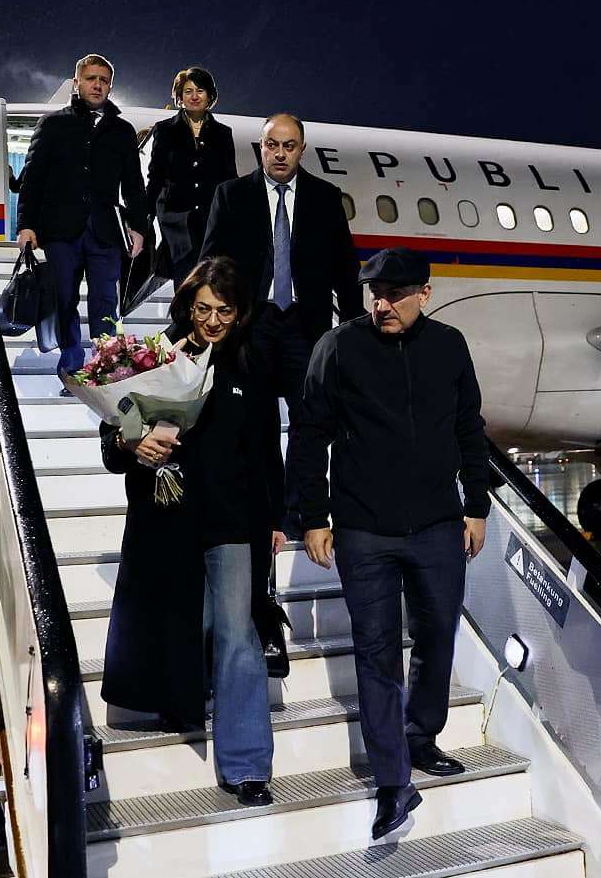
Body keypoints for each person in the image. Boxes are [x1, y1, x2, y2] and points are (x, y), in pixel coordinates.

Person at [287, 247, 491, 841]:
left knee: (437, 633)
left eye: (396, 295)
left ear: (425, 294)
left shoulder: (449, 346)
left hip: (439, 524)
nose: (382, 305)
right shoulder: (338, 347)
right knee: (376, 651)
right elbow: (309, 434)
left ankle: (421, 735)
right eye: (375, 294)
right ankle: (392, 781)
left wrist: (476, 505)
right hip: (363, 528)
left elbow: (469, 426)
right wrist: (313, 516)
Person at [99, 257, 285, 806]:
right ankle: (176, 702)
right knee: (180, 619)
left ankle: (246, 765)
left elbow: (265, 448)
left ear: (239, 311)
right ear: (187, 306)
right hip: (167, 517)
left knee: (238, 634)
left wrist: (277, 518)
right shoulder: (155, 356)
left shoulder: (250, 362)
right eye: (203, 309)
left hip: (232, 522)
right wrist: (132, 442)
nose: (213, 320)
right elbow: (113, 436)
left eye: (224, 310)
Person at [199, 113, 359, 534]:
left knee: (309, 422)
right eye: (272, 145)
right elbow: (210, 263)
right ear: (261, 147)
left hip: (305, 326)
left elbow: (345, 269)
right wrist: (207, 322)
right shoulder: (232, 195)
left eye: (289, 146)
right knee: (257, 420)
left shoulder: (325, 197)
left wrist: (354, 332)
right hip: (252, 325)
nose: (280, 154)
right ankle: (265, 512)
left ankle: (301, 513)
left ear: (301, 150)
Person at [14, 54, 148, 384]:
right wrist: (26, 225)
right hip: (60, 231)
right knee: (64, 301)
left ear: (110, 86)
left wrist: (139, 227)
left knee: (106, 303)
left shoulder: (122, 131)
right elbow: (33, 178)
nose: (97, 85)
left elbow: (134, 184)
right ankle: (72, 370)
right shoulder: (53, 124)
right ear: (77, 83)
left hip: (106, 232)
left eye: (103, 80)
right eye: (90, 78)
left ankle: (105, 370)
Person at [145, 67, 237, 286]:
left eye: (200, 90)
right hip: (175, 219)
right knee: (186, 277)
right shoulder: (164, 130)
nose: (194, 96)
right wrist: (144, 216)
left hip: (210, 218)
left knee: (209, 278)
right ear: (180, 96)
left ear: (210, 96)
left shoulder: (223, 133)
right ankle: (185, 308)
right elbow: (155, 176)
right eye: (188, 91)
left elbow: (229, 179)